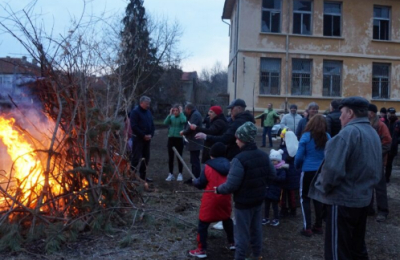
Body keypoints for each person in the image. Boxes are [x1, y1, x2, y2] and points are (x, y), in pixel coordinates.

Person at [309, 97, 382, 260]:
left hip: (342, 201)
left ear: (350, 113)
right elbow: (378, 169)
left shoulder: (347, 134)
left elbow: (332, 171)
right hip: (362, 199)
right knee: (356, 248)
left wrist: (324, 188)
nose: (340, 117)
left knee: (337, 251)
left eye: (342, 113)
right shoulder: (372, 132)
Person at [216, 122, 277, 260]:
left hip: (243, 203)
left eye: (237, 138)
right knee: (256, 230)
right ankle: (257, 256)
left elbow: (231, 186)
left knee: (241, 234)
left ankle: (240, 257)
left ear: (242, 139)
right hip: (258, 199)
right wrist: (261, 185)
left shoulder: (239, 159)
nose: (235, 140)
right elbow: (272, 175)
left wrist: (218, 189)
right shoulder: (263, 155)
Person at [189, 142, 235, 258]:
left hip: (211, 198)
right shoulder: (229, 165)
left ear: (212, 155)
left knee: (203, 223)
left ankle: (201, 249)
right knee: (226, 219)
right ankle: (232, 242)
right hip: (225, 196)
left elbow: (201, 183)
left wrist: (195, 182)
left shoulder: (208, 167)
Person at [295, 114, 330, 237]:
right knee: (318, 197)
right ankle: (318, 225)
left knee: (304, 198)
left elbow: (299, 156)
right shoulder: (327, 137)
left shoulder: (306, 137)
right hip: (321, 171)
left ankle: (307, 227)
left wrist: (297, 166)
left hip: (308, 170)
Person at [367, 104, 391, 221]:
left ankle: (383, 211)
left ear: (371, 113)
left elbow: (387, 142)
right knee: (368, 184)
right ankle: (369, 208)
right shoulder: (367, 124)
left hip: (378, 161)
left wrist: (376, 153)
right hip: (367, 161)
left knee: (380, 186)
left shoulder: (381, 125)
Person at [130, 96, 155, 182]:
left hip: (147, 139)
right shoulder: (135, 112)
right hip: (138, 139)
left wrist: (151, 134)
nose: (148, 105)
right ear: (141, 103)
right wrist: (143, 135)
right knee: (136, 158)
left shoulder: (148, 112)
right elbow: (134, 126)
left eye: (149, 103)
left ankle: (143, 176)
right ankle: (131, 176)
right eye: (146, 103)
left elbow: (152, 124)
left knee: (146, 158)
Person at [263, 149, 287, 227]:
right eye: (272, 160)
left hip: (276, 190)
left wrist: (273, 178)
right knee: (266, 205)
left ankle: (276, 218)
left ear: (279, 161)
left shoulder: (281, 169)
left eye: (275, 160)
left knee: (275, 206)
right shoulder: (268, 169)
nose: (273, 162)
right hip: (268, 189)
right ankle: (266, 217)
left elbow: (282, 178)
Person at [279, 130, 300, 218]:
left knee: (284, 195)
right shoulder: (299, 148)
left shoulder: (284, 151)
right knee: (293, 194)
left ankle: (284, 210)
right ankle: (293, 210)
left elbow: (281, 162)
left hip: (286, 176)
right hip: (295, 176)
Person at [181, 104, 204, 182]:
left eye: (185, 109)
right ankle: (194, 177)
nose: (185, 111)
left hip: (195, 141)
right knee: (193, 160)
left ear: (188, 109)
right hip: (194, 141)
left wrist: (184, 132)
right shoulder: (194, 114)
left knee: (195, 161)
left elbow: (191, 128)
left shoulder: (195, 115)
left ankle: (196, 178)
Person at [163, 104, 186, 182]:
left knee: (179, 157)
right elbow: (165, 122)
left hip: (179, 139)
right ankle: (170, 174)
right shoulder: (171, 117)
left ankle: (180, 174)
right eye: (174, 111)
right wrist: (169, 114)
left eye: (177, 111)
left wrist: (182, 112)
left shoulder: (181, 116)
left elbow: (184, 121)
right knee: (171, 157)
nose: (175, 112)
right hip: (171, 139)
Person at [385, 107, 400, 183]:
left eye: (392, 113)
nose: (391, 115)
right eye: (390, 113)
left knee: (389, 163)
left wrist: (396, 141)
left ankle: (387, 177)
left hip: (393, 147)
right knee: (385, 162)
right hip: (386, 145)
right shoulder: (387, 122)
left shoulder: (397, 123)